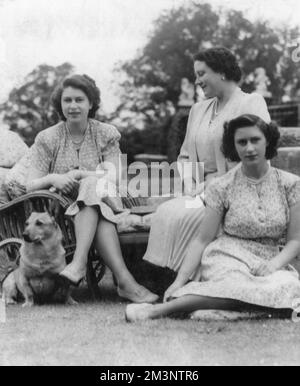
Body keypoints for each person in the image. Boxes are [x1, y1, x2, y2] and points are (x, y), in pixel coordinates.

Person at [125, 114, 300, 321]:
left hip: (269, 258)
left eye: (255, 140)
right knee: (235, 285)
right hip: (228, 256)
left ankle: (232, 312)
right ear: (233, 146)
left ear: (267, 141)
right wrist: (180, 280)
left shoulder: (291, 184)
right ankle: (154, 311)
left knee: (290, 287)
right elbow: (202, 240)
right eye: (242, 142)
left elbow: (295, 240)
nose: (249, 148)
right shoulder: (221, 186)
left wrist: (273, 265)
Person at [141, 47, 271, 291]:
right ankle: (165, 278)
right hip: (199, 190)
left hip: (238, 190)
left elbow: (258, 155)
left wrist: (216, 186)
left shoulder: (250, 102)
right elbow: (185, 156)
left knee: (187, 216)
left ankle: (192, 282)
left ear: (222, 72)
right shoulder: (198, 110)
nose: (197, 81)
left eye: (202, 74)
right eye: (195, 75)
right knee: (167, 212)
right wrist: (192, 186)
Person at [26, 74, 158, 303]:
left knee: (90, 185)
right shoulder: (48, 138)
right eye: (67, 100)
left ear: (91, 103)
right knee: (95, 205)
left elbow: (115, 176)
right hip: (65, 211)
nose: (73, 106)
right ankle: (126, 283)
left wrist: (79, 174)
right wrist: (54, 178)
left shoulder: (105, 133)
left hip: (110, 200)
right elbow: (31, 184)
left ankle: (78, 263)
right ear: (60, 105)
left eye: (79, 99)